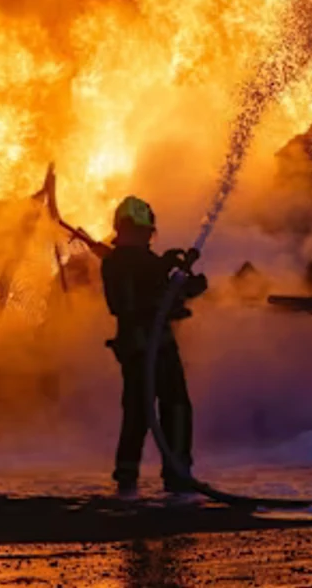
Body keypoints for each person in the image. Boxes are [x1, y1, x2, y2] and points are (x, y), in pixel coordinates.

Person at [101, 195, 207, 494]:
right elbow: (137, 303)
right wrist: (181, 288)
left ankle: (129, 476)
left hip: (143, 348)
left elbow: (155, 293)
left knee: (138, 410)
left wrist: (174, 280)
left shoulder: (126, 262)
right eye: (143, 233)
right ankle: (176, 473)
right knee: (173, 407)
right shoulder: (124, 263)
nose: (147, 238)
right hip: (149, 348)